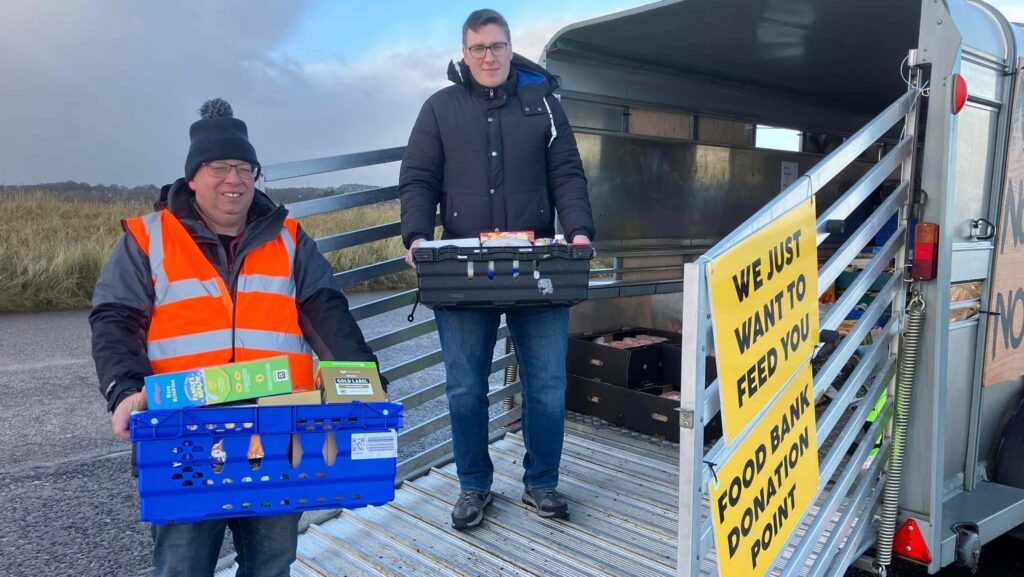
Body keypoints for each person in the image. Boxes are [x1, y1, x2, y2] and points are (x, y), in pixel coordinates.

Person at [90, 98, 382, 577]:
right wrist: (122, 390)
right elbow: (114, 319)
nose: (235, 180)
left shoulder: (289, 238)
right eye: (220, 167)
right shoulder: (149, 238)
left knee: (270, 564)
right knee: (182, 566)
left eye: (246, 168)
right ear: (193, 177)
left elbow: (328, 315)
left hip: (277, 438)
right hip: (183, 438)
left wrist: (366, 385)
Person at [399, 9, 596, 529]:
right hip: (462, 272)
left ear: (511, 49)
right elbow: (418, 178)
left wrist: (579, 231)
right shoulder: (439, 109)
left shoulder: (544, 105)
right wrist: (416, 236)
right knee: (464, 386)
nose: (489, 57)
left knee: (548, 385)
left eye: (497, 46)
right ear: (464, 54)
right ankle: (473, 486)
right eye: (478, 48)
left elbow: (568, 175)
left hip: (539, 269)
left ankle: (542, 482)